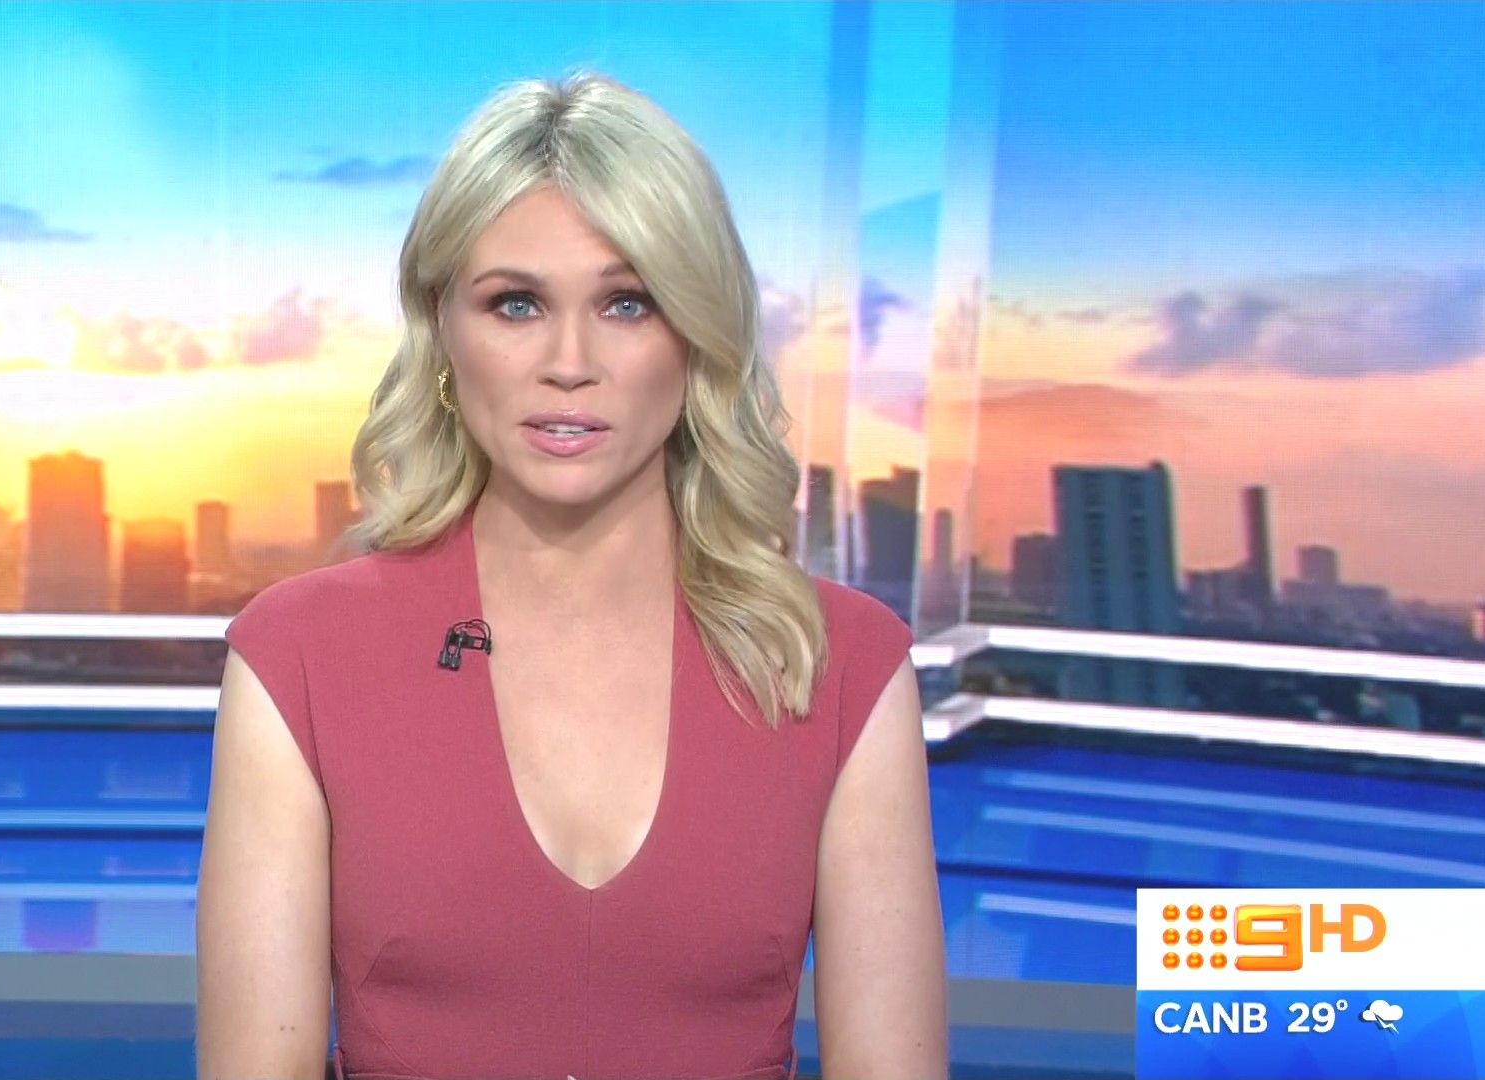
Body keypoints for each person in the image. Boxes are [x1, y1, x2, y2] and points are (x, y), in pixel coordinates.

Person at [197, 70, 944, 1080]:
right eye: (516, 304)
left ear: (698, 339)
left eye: (628, 303)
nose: (569, 360)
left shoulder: (841, 663)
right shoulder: (300, 656)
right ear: (444, 333)